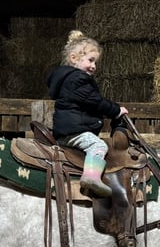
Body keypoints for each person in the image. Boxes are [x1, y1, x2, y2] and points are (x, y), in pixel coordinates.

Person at [46, 30, 129, 198]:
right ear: (74, 58)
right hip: (74, 131)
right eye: (91, 60)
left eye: (95, 62)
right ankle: (91, 178)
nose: (94, 66)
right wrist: (116, 110)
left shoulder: (69, 79)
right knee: (99, 146)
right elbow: (95, 101)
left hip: (70, 129)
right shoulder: (77, 79)